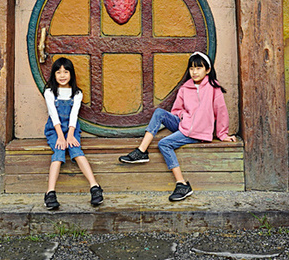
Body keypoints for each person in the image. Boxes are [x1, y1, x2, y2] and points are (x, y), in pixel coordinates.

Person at [118, 51, 236, 201]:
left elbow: (221, 112)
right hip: (184, 125)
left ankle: (182, 184)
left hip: (197, 133)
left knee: (164, 144)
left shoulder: (214, 88)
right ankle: (141, 151)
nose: (194, 72)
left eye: (199, 68)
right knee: (159, 113)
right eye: (192, 68)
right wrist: (183, 117)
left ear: (208, 70)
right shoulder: (185, 88)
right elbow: (176, 110)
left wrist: (222, 135)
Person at [42, 57, 103, 211]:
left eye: (66, 71)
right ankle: (50, 193)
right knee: (59, 150)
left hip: (71, 128)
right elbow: (53, 114)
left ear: (71, 74)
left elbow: (74, 115)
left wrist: (70, 135)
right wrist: (61, 137)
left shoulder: (76, 93)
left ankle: (95, 187)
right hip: (55, 129)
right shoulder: (49, 92)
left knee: (76, 151)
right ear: (54, 75)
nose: (62, 75)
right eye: (58, 72)